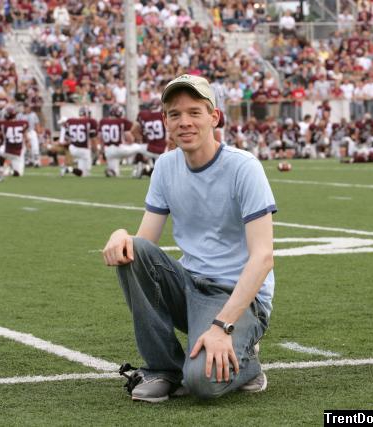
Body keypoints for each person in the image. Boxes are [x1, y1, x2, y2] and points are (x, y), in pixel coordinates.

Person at [102, 74, 276, 402]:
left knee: (202, 383)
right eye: (175, 114)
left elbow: (263, 257)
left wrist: (222, 326)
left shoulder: (244, 168)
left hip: (235, 296)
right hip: (189, 286)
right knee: (132, 251)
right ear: (166, 121)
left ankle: (248, 360)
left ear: (214, 117)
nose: (185, 122)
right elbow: (144, 245)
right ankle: (163, 369)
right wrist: (121, 234)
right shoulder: (166, 166)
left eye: (195, 112)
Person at [98, 104, 140, 177]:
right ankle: (140, 166)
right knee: (140, 148)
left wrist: (102, 151)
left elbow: (100, 138)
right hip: (119, 149)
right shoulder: (122, 121)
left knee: (115, 173)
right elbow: (129, 139)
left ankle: (112, 171)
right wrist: (133, 140)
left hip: (108, 151)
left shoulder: (102, 121)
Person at [60, 107, 98, 177]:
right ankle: (68, 168)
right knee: (86, 173)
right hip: (84, 149)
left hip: (73, 148)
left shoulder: (70, 121)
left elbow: (67, 139)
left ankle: (68, 169)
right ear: (87, 114)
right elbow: (93, 138)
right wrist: (95, 150)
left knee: (81, 173)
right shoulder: (91, 121)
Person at [0, 106, 29, 177]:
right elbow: (25, 133)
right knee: (19, 174)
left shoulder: (1, 124)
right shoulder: (23, 123)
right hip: (19, 152)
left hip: (6, 150)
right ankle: (9, 168)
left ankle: (2, 168)